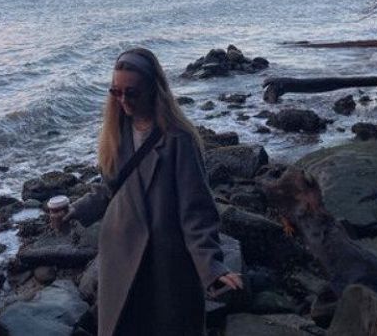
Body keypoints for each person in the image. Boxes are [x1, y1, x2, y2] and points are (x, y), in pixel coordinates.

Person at [51, 48, 243, 336]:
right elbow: (109, 188)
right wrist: (75, 210)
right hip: (120, 255)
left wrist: (212, 266)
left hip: (165, 263)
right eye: (116, 92)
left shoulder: (179, 139)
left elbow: (197, 210)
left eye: (132, 92)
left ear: (154, 89)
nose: (123, 100)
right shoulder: (116, 131)